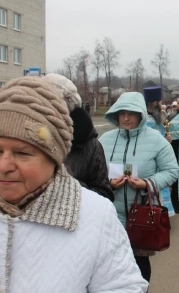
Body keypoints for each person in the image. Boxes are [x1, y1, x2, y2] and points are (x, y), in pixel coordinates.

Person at [0, 77, 148, 292]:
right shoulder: (109, 140)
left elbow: (122, 285)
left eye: (22, 153)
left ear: (55, 157)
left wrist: (147, 182)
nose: (4, 166)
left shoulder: (94, 215)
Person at [99, 92, 179, 285]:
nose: (126, 118)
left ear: (141, 115)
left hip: (142, 214)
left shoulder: (156, 140)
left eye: (131, 113)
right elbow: (96, 172)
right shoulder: (104, 140)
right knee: (110, 264)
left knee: (139, 263)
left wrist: (146, 183)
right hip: (111, 214)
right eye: (122, 113)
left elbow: (171, 171)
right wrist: (108, 183)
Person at [42, 73, 113, 201]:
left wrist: (68, 186)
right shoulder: (24, 137)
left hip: (71, 218)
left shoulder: (90, 145)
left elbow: (104, 195)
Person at [143, 86, 175, 216]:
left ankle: (161, 214)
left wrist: (168, 139)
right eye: (160, 102)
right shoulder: (143, 119)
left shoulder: (159, 118)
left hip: (160, 160)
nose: (162, 105)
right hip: (148, 160)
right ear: (155, 103)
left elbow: (162, 136)